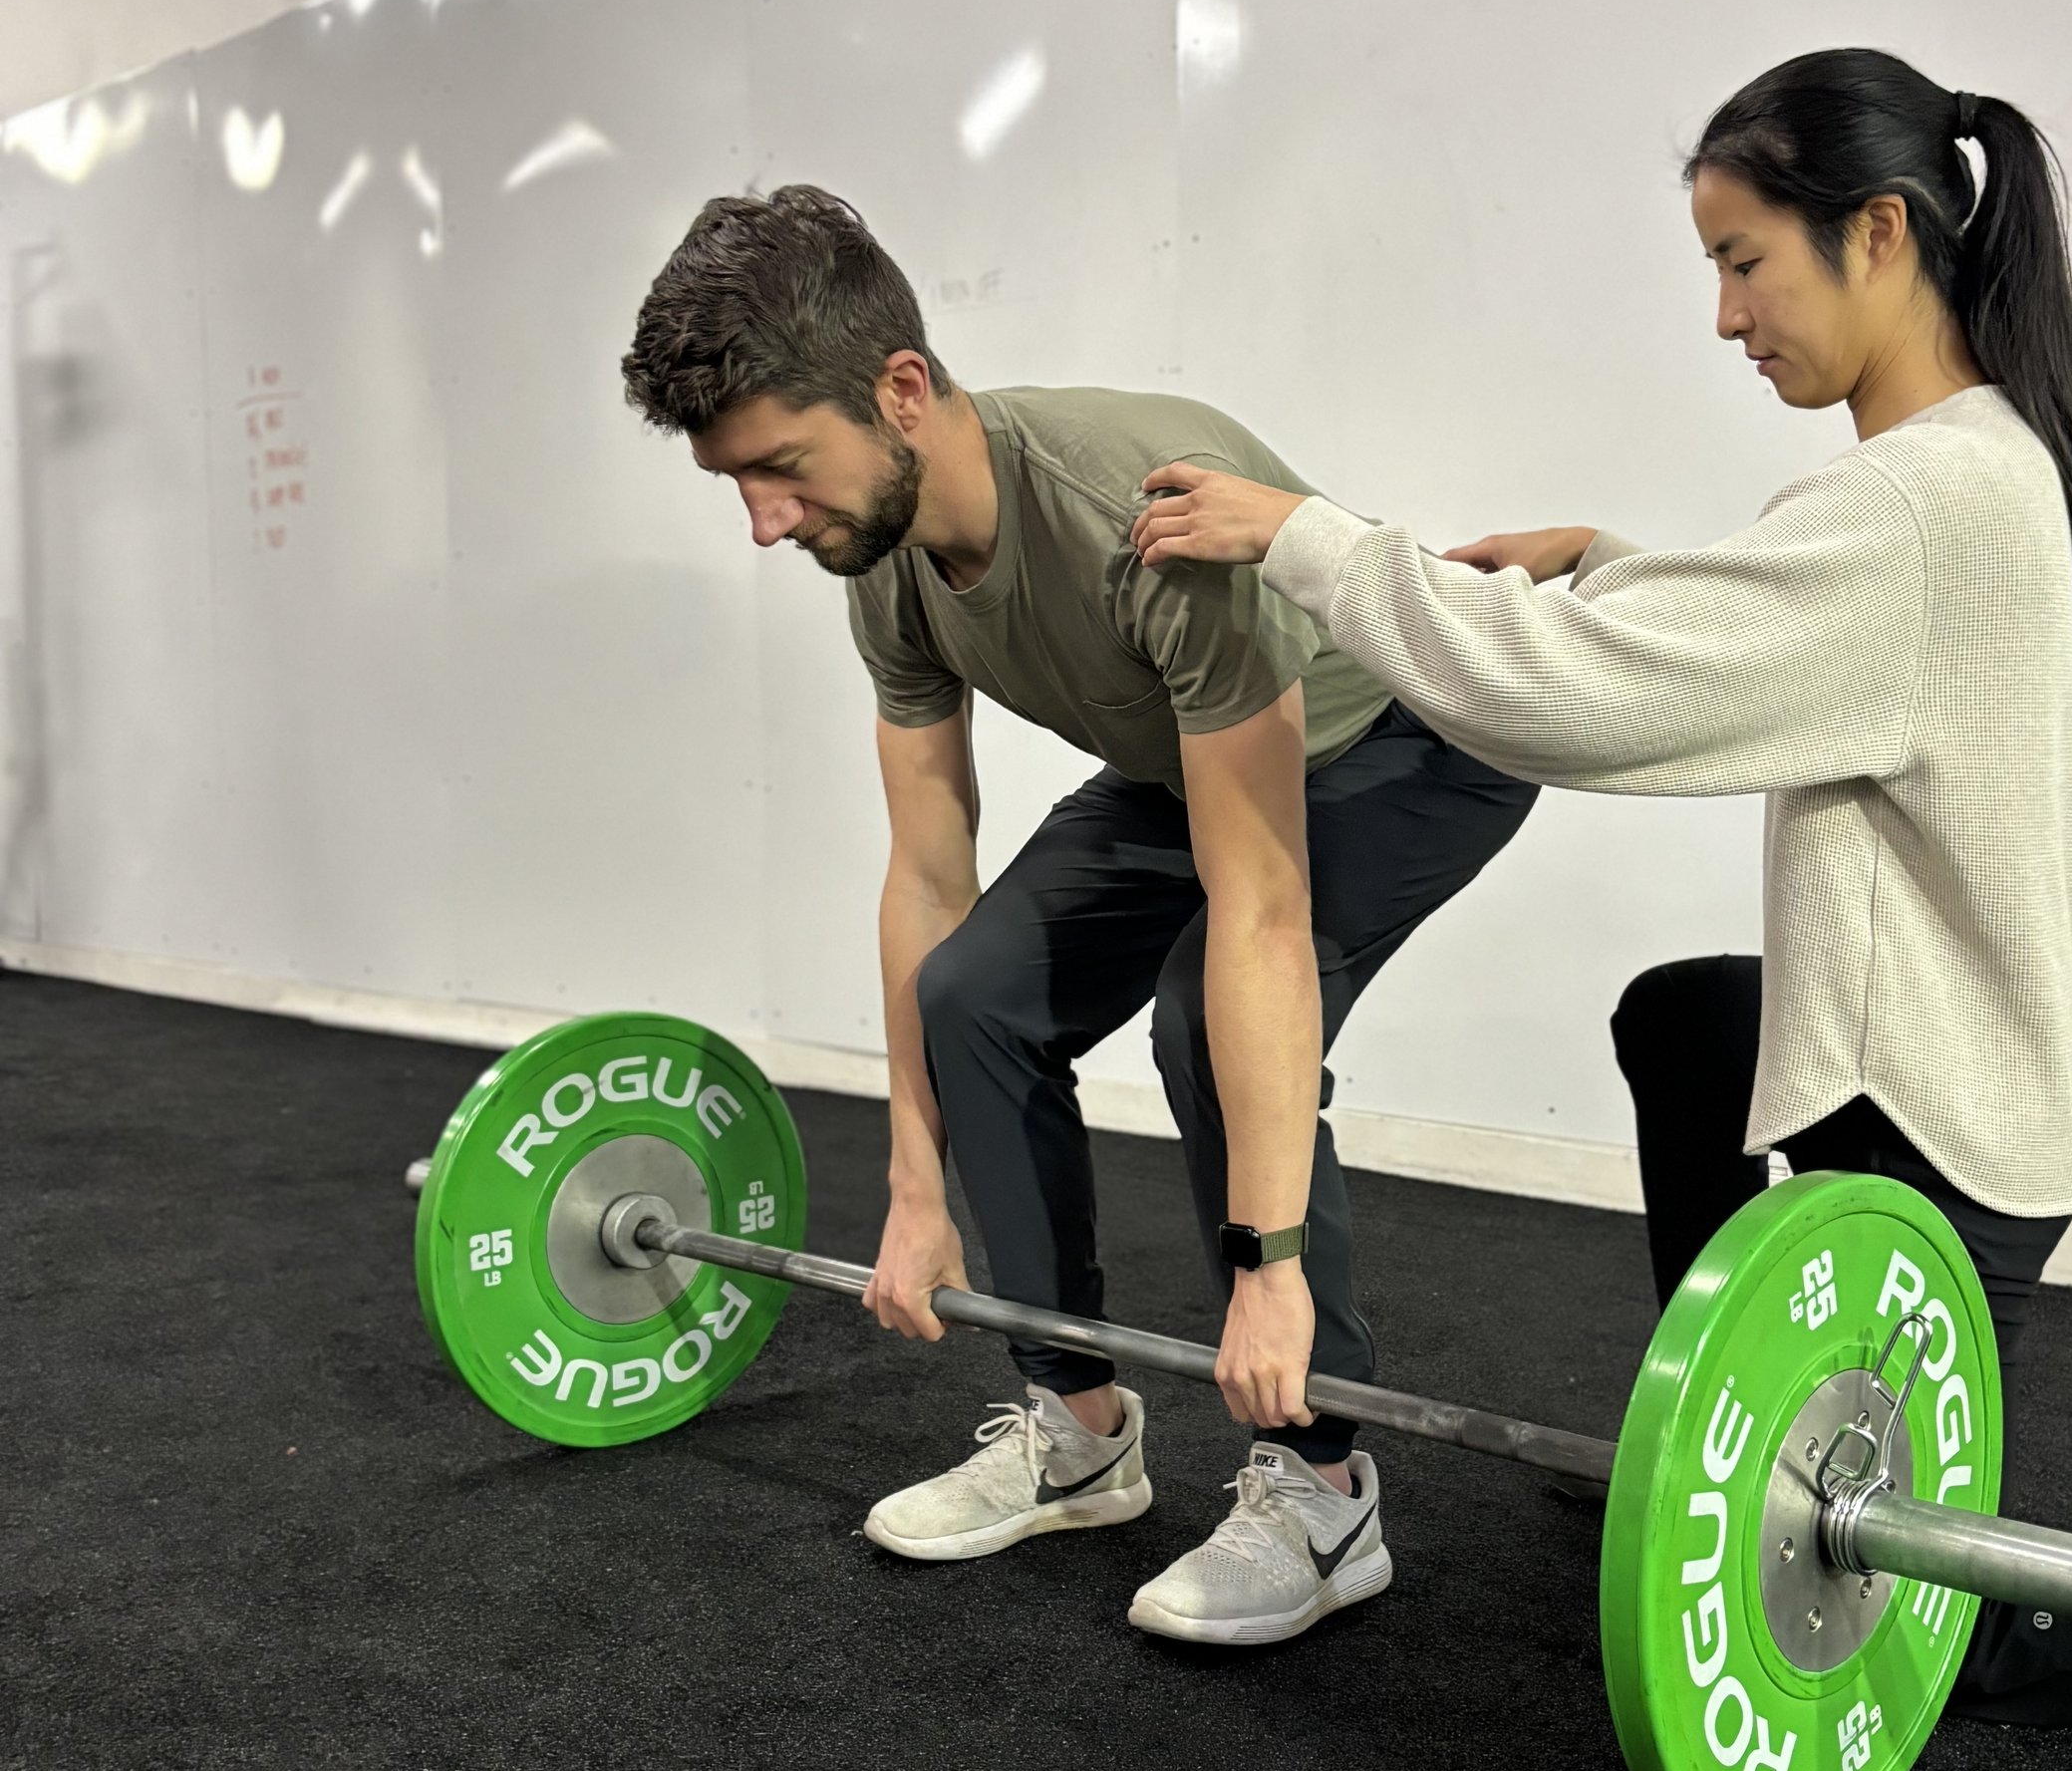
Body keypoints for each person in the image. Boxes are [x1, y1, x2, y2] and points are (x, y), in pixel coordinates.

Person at [1129, 46, 2072, 1725]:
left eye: (1744, 260)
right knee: (1690, 1023)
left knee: (1942, 1616)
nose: (1724, 315)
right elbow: (1779, 626)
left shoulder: (1922, 502)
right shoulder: (1980, 459)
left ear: (1881, 232)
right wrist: (1600, 560)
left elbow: (1579, 699)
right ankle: (1711, 1426)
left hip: (1938, 1132)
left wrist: (1311, 539)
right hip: (1967, 1049)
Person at [620, 187, 1536, 1646]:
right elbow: (928, 879)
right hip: (1193, 762)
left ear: (900, 390)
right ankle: (1081, 1430)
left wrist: (1269, 1272)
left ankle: (1322, 1484)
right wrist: (915, 1190)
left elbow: (1259, 908)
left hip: (1405, 743)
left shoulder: (1139, 515)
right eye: (737, 482)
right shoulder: (886, 562)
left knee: (1204, 1017)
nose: (764, 521)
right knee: (972, 993)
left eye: (782, 468)